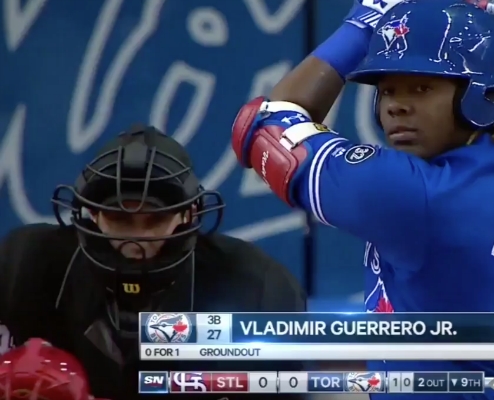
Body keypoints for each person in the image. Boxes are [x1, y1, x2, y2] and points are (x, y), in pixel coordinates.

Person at [231, 0, 494, 399]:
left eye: (422, 87)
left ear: (478, 96)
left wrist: (368, 18)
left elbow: (266, 124)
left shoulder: (412, 194)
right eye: (388, 89)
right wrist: (448, 15)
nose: (396, 105)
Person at [0, 125, 307, 400]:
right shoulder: (26, 268)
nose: (136, 241)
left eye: (155, 219)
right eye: (119, 218)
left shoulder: (254, 289)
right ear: (93, 214)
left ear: (186, 216)